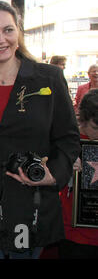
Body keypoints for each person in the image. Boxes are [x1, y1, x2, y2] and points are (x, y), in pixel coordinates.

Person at [0, 0, 80, 259]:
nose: (0, 40)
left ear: (19, 31)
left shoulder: (49, 78)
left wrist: (54, 175)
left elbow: (68, 138)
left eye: (8, 30)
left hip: (31, 205)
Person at [59, 89, 98, 258]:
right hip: (73, 227)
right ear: (83, 118)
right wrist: (63, 163)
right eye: (95, 127)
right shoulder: (66, 137)